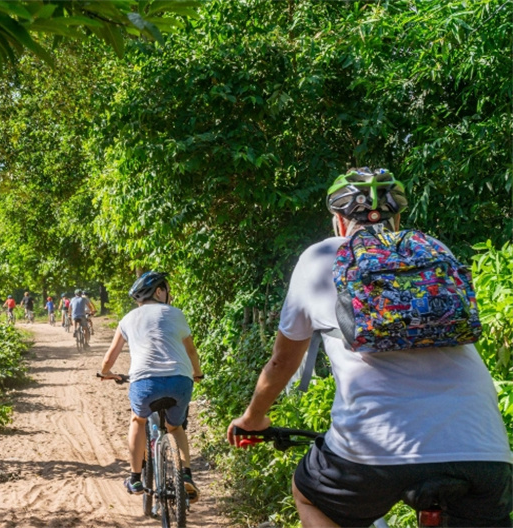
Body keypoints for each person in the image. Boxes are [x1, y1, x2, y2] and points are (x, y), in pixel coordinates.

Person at [227, 168, 513, 527]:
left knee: (307, 494)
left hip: (370, 449)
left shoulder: (320, 258)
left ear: (338, 222)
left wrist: (252, 419)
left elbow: (282, 362)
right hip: (483, 448)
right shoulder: (432, 251)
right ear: (397, 219)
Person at [99, 271, 204, 503]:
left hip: (145, 382)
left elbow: (109, 357)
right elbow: (192, 351)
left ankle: (135, 478)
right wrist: (197, 374)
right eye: (166, 288)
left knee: (139, 420)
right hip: (180, 381)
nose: (169, 294)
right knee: (175, 428)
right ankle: (186, 475)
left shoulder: (127, 319)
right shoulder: (176, 314)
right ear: (159, 291)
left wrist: (106, 374)